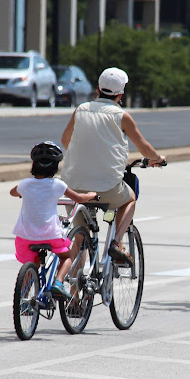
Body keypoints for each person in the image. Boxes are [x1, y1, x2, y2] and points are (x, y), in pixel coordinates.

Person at [61, 67, 166, 264]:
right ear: (120, 94)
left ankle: (75, 290)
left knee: (79, 239)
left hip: (73, 185)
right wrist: (158, 158)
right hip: (106, 187)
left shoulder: (81, 109)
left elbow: (65, 140)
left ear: (98, 90)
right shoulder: (121, 116)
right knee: (129, 199)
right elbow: (143, 147)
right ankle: (117, 243)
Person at [10, 141, 97, 298]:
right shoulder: (58, 184)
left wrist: (25, 193)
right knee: (66, 257)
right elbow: (78, 198)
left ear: (33, 165)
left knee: (33, 263)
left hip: (24, 236)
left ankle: (23, 297)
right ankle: (58, 282)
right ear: (55, 167)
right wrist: (92, 195)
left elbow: (12, 192)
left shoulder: (25, 184)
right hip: (50, 235)